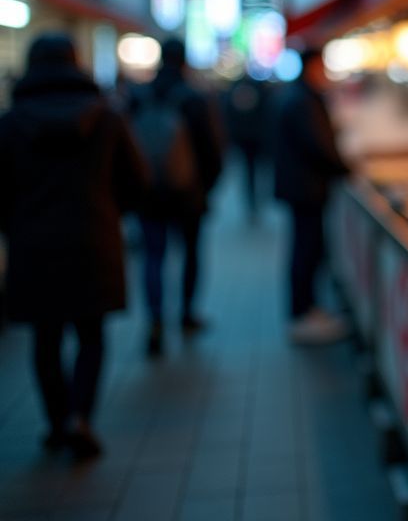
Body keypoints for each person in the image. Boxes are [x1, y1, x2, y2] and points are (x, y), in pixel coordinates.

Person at [0, 34, 147, 459]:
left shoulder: (10, 124)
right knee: (91, 333)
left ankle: (56, 420)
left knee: (45, 339)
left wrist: (15, 226)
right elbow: (135, 180)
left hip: (32, 244)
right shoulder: (107, 117)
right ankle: (81, 416)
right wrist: (109, 213)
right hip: (93, 238)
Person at [129, 38, 223, 356]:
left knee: (153, 256)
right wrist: (205, 186)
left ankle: (155, 319)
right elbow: (212, 149)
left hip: (147, 193)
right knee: (191, 253)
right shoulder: (194, 98)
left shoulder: (138, 96)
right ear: (183, 61)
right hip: (188, 193)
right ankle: (186, 314)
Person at [274, 48, 350, 343]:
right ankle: (302, 313)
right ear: (311, 66)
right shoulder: (303, 100)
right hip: (305, 188)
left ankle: (307, 309)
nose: (326, 72)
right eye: (322, 66)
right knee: (307, 250)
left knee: (307, 249)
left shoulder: (298, 96)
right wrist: (344, 168)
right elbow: (318, 145)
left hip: (302, 187)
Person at [224, 75, 271, 218]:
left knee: (251, 171)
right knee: (252, 171)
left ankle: (253, 200)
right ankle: (253, 200)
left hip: (247, 138)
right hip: (251, 138)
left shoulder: (235, 89)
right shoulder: (258, 89)